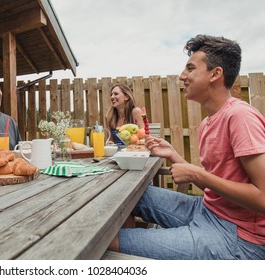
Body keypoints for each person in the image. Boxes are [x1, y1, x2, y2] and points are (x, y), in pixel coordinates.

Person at [109, 34, 265, 259]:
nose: (182, 76)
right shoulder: (208, 122)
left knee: (106, 241)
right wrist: (175, 156)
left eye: (190, 69)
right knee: (126, 194)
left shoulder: (240, 116)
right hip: (208, 210)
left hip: (239, 237)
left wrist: (196, 174)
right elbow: (220, 183)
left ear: (215, 74)